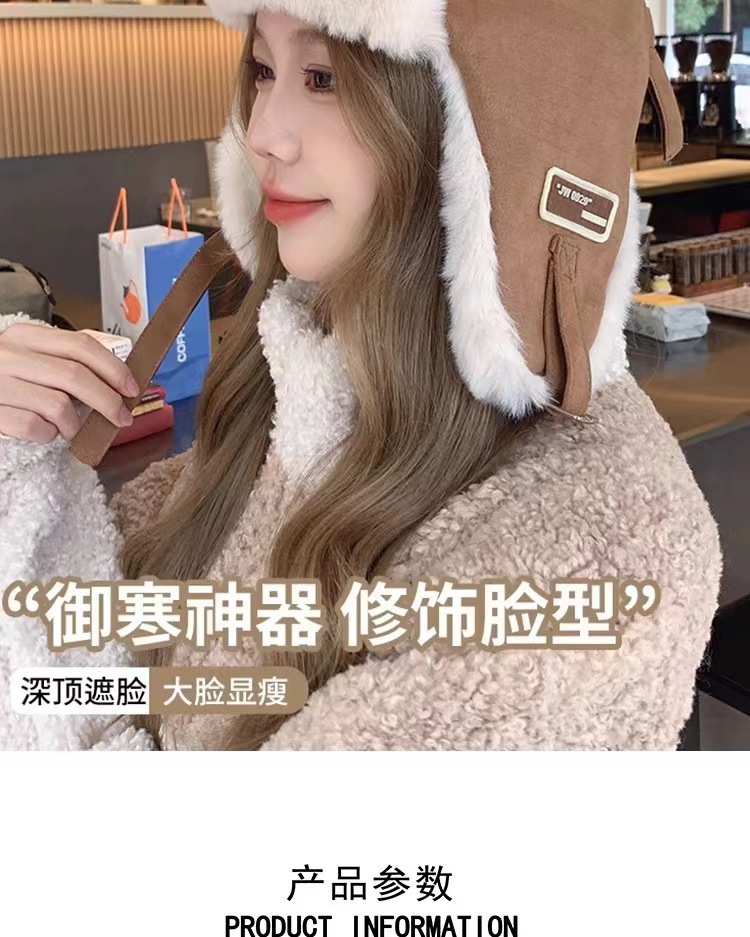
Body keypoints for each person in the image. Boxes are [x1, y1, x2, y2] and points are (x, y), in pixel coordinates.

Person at [0, 1, 722, 751]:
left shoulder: (596, 551)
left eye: (324, 78)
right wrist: (14, 461)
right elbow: (89, 667)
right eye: (263, 70)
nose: (263, 133)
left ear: (481, 139)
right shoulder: (291, 400)